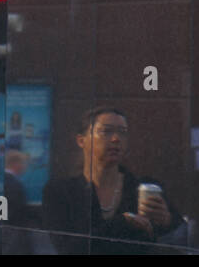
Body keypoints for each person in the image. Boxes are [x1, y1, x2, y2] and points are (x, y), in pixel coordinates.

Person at [42, 106, 183, 254]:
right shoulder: (61, 192)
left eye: (122, 133)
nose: (116, 139)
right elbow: (69, 249)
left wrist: (167, 220)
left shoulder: (143, 188)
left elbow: (180, 236)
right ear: (81, 140)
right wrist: (123, 222)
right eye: (106, 131)